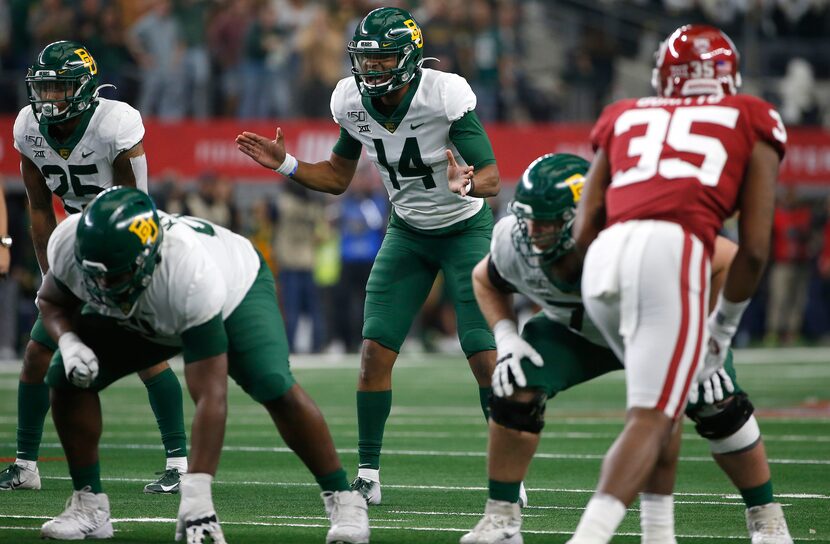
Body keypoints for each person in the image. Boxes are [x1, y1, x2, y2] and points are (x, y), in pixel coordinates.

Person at [237, 6, 505, 505]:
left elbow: (490, 174)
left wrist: (467, 180)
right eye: (367, 59)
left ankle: (509, 475)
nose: (372, 69)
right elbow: (338, 178)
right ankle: (368, 474)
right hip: (406, 232)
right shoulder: (351, 100)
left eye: (383, 59)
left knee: (483, 355)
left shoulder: (442, 93)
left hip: (465, 229)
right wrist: (288, 164)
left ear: (408, 58)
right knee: (373, 354)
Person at [460, 154, 793, 544]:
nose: (532, 231)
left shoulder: (637, 236)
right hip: (576, 332)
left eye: (546, 221)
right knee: (513, 386)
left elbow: (725, 259)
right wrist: (506, 335)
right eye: (528, 218)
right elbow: (485, 279)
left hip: (655, 325)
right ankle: (501, 520)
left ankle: (766, 517)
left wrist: (708, 335)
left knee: (717, 402)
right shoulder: (512, 242)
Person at [36, 186, 370, 543]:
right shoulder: (70, 243)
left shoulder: (188, 271)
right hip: (156, 308)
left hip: (233, 292)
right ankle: (90, 506)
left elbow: (211, 395)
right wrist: (69, 342)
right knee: (64, 376)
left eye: (113, 276)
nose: (101, 287)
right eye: (94, 277)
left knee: (271, 382)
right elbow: (50, 301)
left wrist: (196, 495)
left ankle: (345, 501)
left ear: (147, 257)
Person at [569, 24, 788, 543]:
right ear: (726, 76)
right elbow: (754, 249)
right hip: (672, 253)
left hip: (604, 255)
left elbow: (584, 225)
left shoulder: (624, 113)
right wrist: (723, 330)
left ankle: (658, 535)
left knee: (661, 409)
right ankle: (589, 536)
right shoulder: (752, 115)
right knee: (651, 416)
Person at [4, 40, 187, 494]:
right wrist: (50, 274)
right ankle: (25, 464)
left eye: (60, 88)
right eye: (43, 89)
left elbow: (137, 204)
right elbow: (40, 209)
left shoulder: (114, 124)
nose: (49, 99)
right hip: (72, 245)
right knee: (36, 355)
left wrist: (124, 270)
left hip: (124, 243)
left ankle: (180, 464)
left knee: (147, 357)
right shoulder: (28, 127)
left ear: (85, 89)